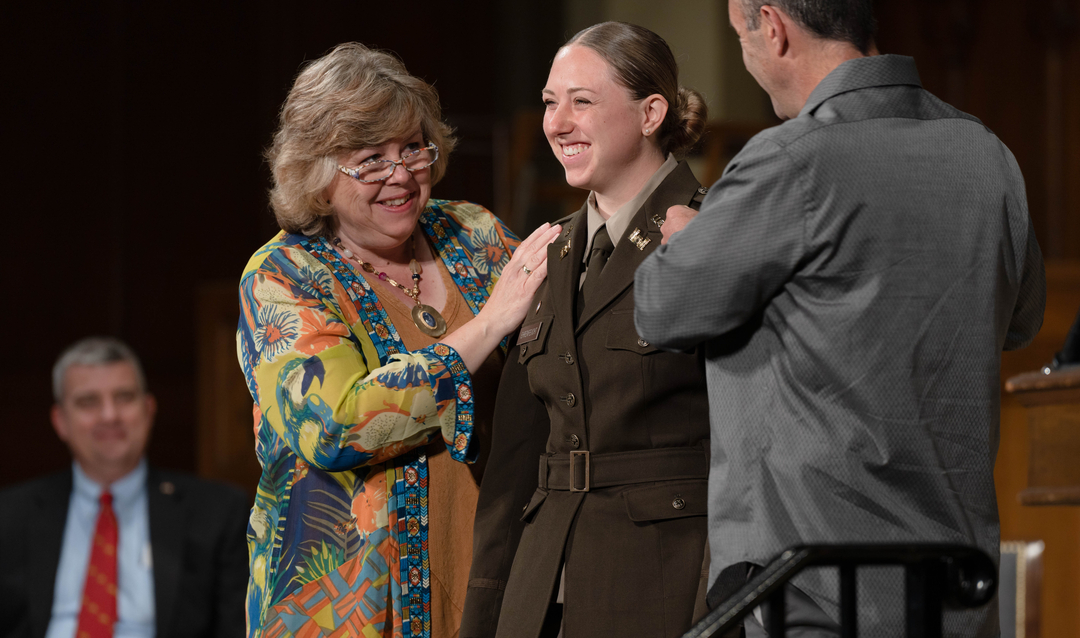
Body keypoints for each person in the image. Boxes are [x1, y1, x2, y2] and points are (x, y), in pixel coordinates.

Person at [634, 1, 1046, 636]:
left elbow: (663, 309)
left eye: (737, 35)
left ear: (770, 27)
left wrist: (690, 241)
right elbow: (1020, 319)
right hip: (955, 585)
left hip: (819, 585)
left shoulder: (791, 160)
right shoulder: (987, 154)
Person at [236, 42, 560, 638]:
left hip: (489, 571)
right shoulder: (282, 275)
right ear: (318, 174)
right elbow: (335, 426)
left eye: (412, 147)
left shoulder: (470, 231)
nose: (402, 174)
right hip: (349, 612)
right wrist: (487, 325)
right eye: (371, 158)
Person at [462, 22, 712, 638]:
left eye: (583, 101)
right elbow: (518, 454)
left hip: (666, 580)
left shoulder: (711, 235)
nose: (558, 123)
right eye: (551, 102)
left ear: (651, 112)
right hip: (543, 583)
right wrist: (486, 607)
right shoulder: (545, 253)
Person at [0, 337, 250, 638]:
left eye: (124, 397)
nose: (109, 415)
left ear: (148, 409)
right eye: (88, 402)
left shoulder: (218, 513)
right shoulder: (9, 516)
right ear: (60, 421)